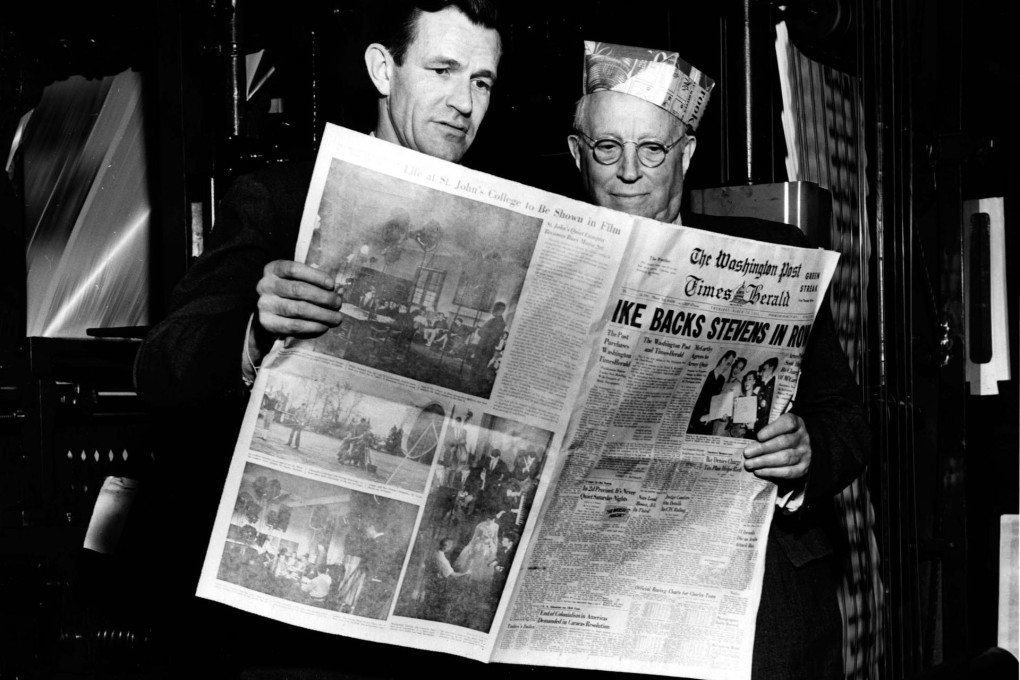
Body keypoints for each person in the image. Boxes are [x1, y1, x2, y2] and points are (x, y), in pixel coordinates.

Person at [132, 0, 503, 670]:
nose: (463, 102)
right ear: (382, 70)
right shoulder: (280, 198)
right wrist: (249, 330)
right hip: (295, 639)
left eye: (481, 81)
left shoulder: (499, 216)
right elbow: (161, 365)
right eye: (443, 69)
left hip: (434, 632)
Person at [567, 40, 870, 680]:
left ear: (687, 154)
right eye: (607, 148)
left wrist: (807, 451)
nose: (630, 171)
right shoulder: (550, 266)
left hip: (757, 607)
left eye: (653, 149)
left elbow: (849, 417)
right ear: (578, 154)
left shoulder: (771, 259)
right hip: (594, 603)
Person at [688, 350, 737, 434]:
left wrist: (721, 415)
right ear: (723, 360)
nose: (727, 367)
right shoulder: (707, 375)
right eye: (728, 363)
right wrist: (700, 417)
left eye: (730, 365)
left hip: (709, 421)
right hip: (696, 419)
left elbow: (715, 402)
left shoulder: (722, 380)